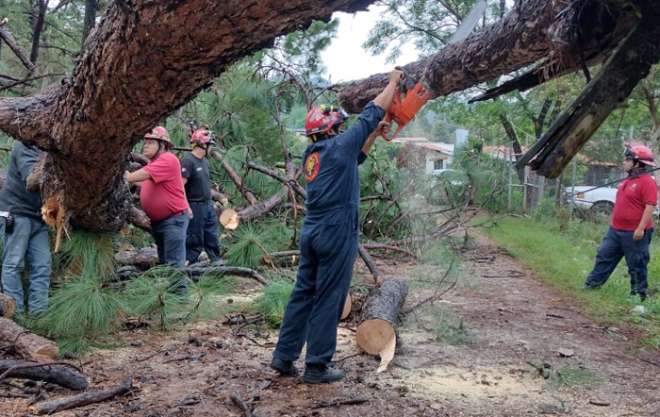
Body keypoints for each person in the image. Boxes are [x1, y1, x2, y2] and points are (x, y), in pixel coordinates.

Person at [270, 69, 402, 384]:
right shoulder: (338, 147)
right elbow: (371, 112)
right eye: (339, 127)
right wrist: (393, 83)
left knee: (303, 293)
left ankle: (284, 357)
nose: (343, 130)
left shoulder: (314, 154)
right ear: (332, 130)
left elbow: (356, 157)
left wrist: (372, 135)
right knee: (330, 295)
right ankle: (317, 365)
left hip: (313, 228)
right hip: (336, 227)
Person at [583, 144, 657, 302]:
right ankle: (592, 285)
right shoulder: (627, 180)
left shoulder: (647, 182)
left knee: (636, 264)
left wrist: (641, 228)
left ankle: (638, 296)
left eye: (627, 159)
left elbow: (650, 206)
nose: (624, 162)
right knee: (604, 255)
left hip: (635, 232)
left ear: (637, 163)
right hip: (615, 230)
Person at [126, 127, 190, 289]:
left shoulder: (167, 159)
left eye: (150, 142)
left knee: (174, 262)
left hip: (173, 220)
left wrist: (125, 175)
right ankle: (170, 297)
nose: (145, 146)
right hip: (161, 222)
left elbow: (134, 177)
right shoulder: (156, 164)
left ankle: (180, 301)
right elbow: (145, 183)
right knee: (166, 261)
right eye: (145, 143)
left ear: (162, 145)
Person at [0, 142, 52, 316]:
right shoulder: (26, 146)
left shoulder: (52, 150)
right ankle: (16, 316)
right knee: (13, 264)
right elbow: (31, 179)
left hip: (39, 217)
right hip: (17, 213)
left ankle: (39, 316)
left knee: (42, 265)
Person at [181, 129, 222, 265]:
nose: (211, 148)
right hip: (194, 205)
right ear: (203, 145)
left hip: (208, 204)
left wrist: (217, 200)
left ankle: (216, 260)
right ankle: (189, 264)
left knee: (212, 233)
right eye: (210, 145)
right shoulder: (187, 161)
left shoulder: (204, 162)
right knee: (194, 237)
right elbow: (180, 187)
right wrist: (186, 206)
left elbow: (204, 185)